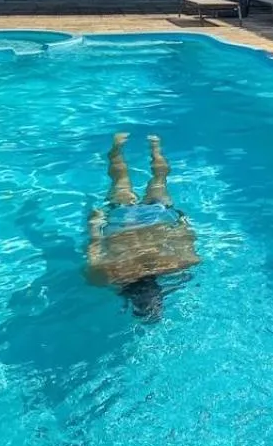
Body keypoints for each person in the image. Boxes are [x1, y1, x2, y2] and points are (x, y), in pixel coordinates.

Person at [85, 133, 199, 320]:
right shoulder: (108, 275)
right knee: (120, 181)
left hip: (155, 217)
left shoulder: (176, 265)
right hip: (121, 220)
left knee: (159, 178)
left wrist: (181, 221)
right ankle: (119, 148)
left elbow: (186, 238)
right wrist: (95, 225)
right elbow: (94, 247)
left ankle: (154, 147)